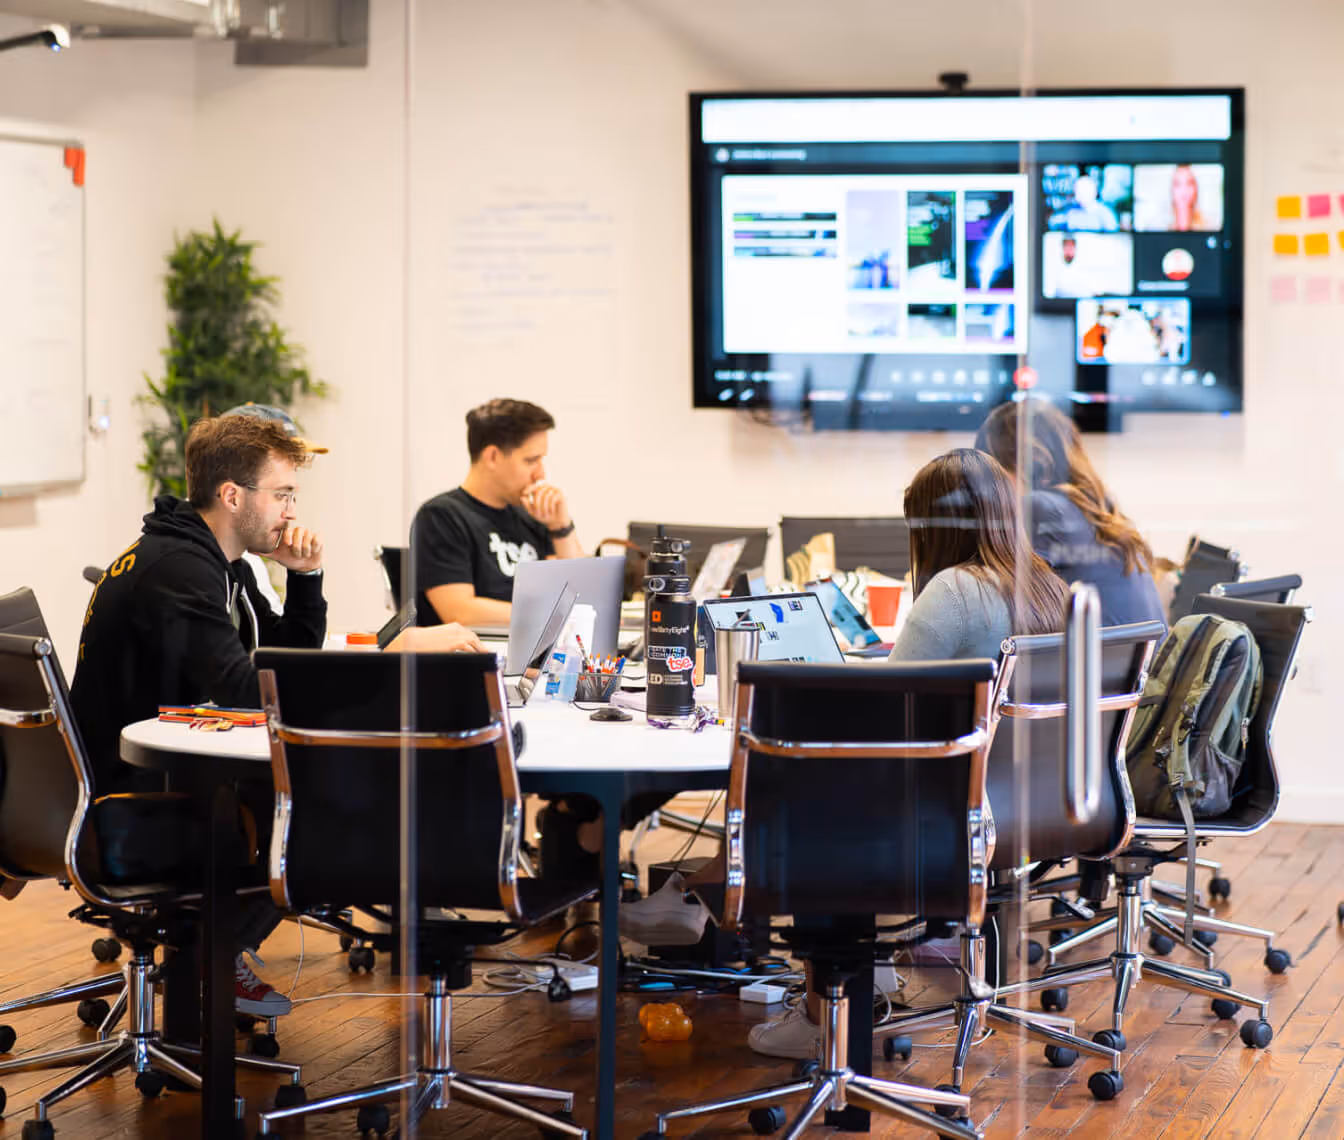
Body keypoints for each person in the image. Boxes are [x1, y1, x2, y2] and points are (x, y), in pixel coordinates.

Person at [664, 450, 1072, 1059]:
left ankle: (807, 998)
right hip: (1016, 803)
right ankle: (852, 970)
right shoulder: (1047, 584)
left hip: (935, 814)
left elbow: (888, 708)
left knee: (785, 782)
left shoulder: (955, 590)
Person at [974, 398, 1165, 628]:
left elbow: (990, 609)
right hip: (1124, 663)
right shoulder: (1092, 508)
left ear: (1034, 464)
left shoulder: (1041, 508)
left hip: (1096, 662)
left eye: (993, 472)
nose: (987, 490)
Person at [412, 399, 583, 627]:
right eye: (531, 460)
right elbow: (460, 612)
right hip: (476, 657)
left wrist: (561, 527)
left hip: (533, 654)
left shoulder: (532, 515)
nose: (540, 474)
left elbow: (582, 595)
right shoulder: (440, 517)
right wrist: (553, 612)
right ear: (492, 456)